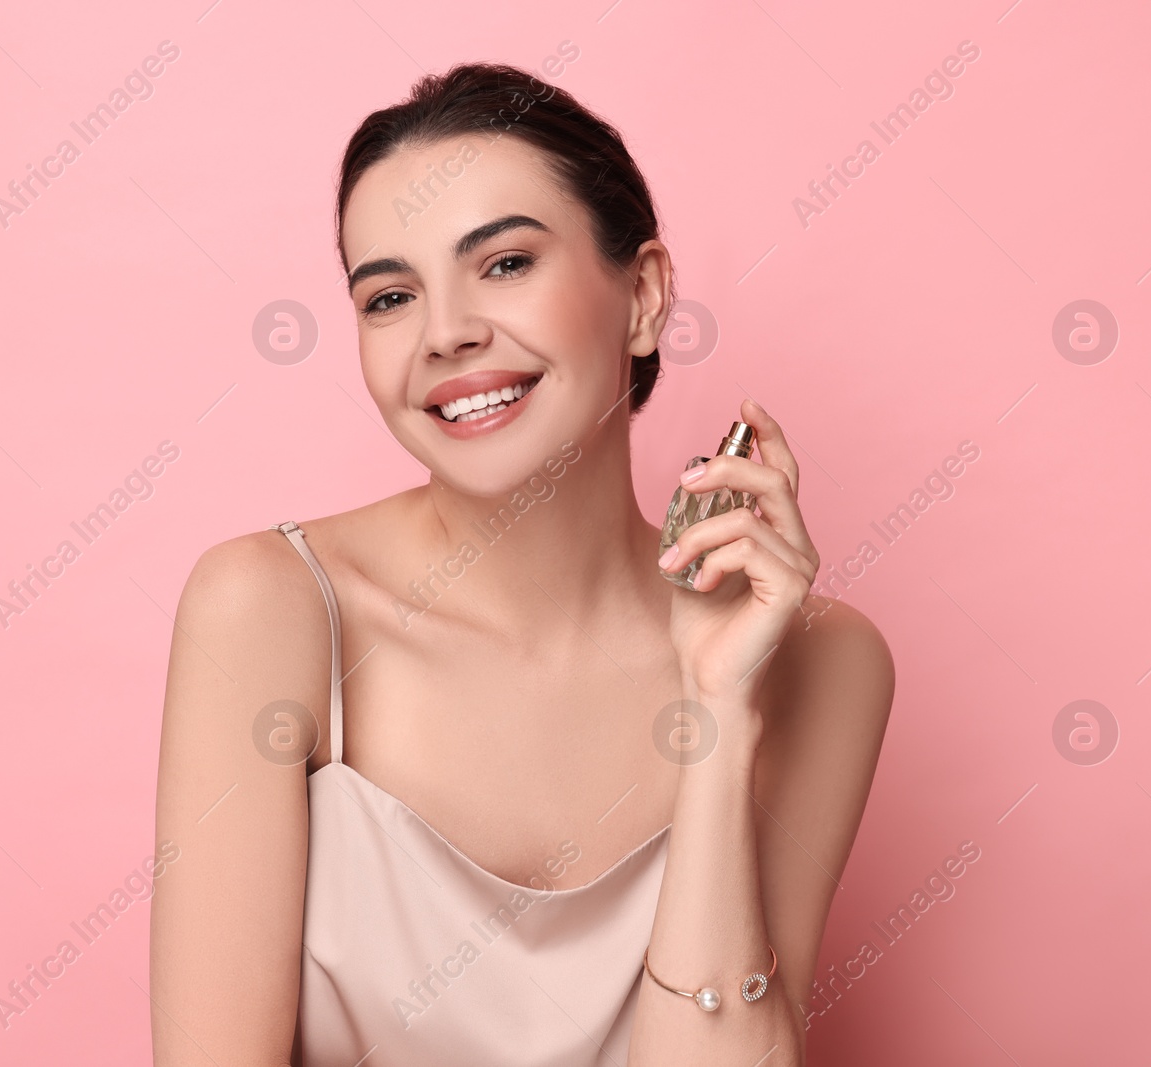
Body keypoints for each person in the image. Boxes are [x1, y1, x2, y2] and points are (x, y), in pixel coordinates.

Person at [151, 61, 894, 1066]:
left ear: (641, 295)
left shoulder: (822, 661)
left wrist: (717, 715)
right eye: (388, 296)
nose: (446, 331)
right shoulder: (270, 611)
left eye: (503, 263)